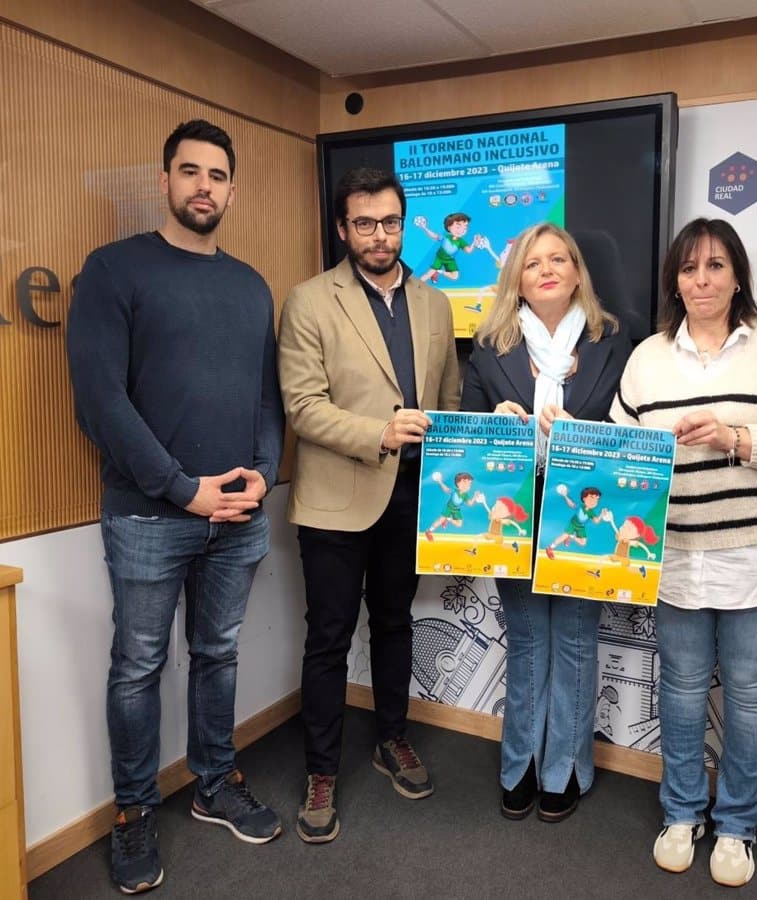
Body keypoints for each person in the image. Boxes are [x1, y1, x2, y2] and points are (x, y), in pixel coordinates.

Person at [66, 119, 285, 895]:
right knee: (138, 666)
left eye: (217, 175)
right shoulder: (114, 270)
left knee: (218, 654)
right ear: (165, 181)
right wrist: (180, 487)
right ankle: (133, 812)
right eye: (190, 172)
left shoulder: (250, 285)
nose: (204, 186)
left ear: (231, 189)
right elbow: (99, 402)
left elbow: (266, 398)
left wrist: (265, 473)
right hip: (150, 515)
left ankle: (214, 783)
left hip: (238, 517)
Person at [609, 217, 757, 887]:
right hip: (674, 554)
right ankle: (682, 813)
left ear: (738, 276)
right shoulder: (647, 358)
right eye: (689, 269)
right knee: (680, 692)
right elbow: (620, 453)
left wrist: (735, 438)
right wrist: (567, 439)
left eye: (715, 266)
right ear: (674, 282)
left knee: (750, 693)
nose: (702, 280)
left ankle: (737, 823)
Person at [278, 167, 460, 844]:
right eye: (364, 223)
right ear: (342, 228)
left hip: (411, 496)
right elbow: (303, 406)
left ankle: (392, 737)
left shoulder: (436, 303)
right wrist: (378, 433)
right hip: (334, 501)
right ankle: (321, 772)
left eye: (390, 222)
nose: (379, 235)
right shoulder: (308, 301)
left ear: (403, 223)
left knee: (394, 624)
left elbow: (447, 396)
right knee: (328, 639)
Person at [460, 223, 631, 823]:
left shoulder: (616, 341)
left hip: (584, 517)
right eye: (533, 264)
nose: (547, 270)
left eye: (559, 259)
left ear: (577, 272)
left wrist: (588, 437)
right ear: (518, 280)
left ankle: (566, 769)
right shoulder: (491, 346)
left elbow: (635, 436)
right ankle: (521, 765)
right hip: (516, 514)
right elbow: (469, 435)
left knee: (577, 641)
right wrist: (497, 422)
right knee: (529, 641)